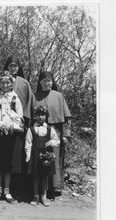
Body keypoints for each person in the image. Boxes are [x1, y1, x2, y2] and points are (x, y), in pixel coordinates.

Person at [0, 71, 24, 203]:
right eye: (2, 82)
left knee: (8, 164)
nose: (5, 84)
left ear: (11, 83)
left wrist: (11, 125)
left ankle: (7, 191)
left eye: (8, 82)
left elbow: (19, 116)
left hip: (10, 135)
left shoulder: (15, 98)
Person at [35, 71, 71, 200]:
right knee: (40, 157)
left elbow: (66, 118)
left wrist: (66, 134)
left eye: (49, 81)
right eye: (44, 81)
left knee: (54, 158)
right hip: (39, 130)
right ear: (40, 83)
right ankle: (40, 189)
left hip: (56, 130)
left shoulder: (59, 96)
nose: (46, 83)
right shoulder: (36, 96)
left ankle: (54, 188)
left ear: (52, 82)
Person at [25, 106, 60, 206]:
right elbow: (28, 143)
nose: (40, 117)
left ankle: (43, 196)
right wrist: (28, 156)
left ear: (46, 116)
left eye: (43, 115)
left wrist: (52, 142)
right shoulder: (31, 129)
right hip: (35, 155)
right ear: (35, 116)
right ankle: (35, 196)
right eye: (38, 115)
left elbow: (57, 140)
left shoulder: (50, 129)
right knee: (35, 176)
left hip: (46, 156)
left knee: (44, 176)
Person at [3, 55, 36, 128]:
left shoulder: (24, 83)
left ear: (19, 67)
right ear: (7, 67)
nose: (13, 68)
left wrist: (25, 117)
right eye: (11, 66)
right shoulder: (2, 81)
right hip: (4, 119)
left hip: (21, 119)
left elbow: (30, 100)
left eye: (15, 66)